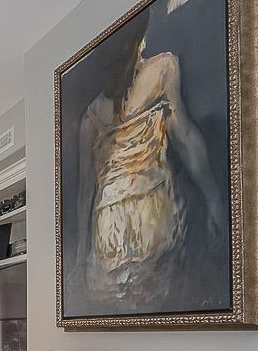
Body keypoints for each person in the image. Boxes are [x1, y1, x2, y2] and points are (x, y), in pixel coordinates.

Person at [74, 15, 224, 309]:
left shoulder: (92, 114)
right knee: (156, 307)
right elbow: (186, 138)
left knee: (125, 312)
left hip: (110, 224)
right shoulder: (162, 69)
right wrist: (215, 198)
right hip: (151, 207)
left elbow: (85, 194)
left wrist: (81, 255)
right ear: (140, 40)